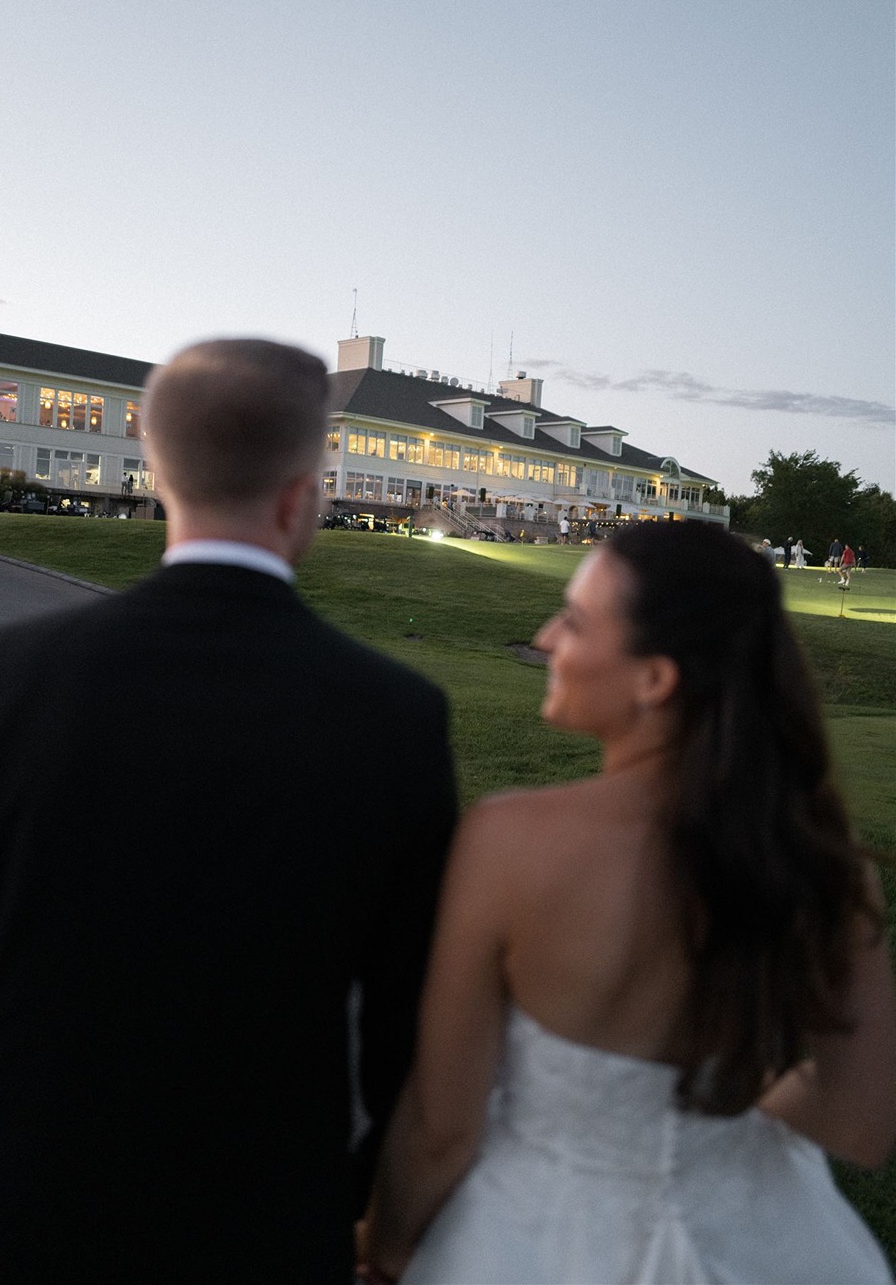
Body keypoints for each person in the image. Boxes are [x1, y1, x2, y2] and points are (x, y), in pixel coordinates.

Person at [0, 337, 458, 1284]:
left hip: (17, 1203)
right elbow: (407, 1028)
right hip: (265, 1217)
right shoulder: (393, 715)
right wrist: (361, 1204)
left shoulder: (1, 678)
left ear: (157, 470)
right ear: (303, 490)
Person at [362, 522, 896, 1285]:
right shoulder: (827, 865)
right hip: (770, 1239)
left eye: (574, 620)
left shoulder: (509, 842)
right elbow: (862, 1120)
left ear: (655, 679)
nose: (546, 638)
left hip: (539, 1239)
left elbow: (443, 1125)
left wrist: (385, 1250)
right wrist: (707, 1122)